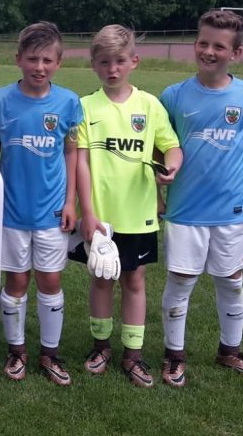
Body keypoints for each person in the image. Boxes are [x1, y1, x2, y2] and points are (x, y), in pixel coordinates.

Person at [158, 10, 243, 387]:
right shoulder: (173, 95)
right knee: (180, 282)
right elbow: (159, 149)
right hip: (185, 208)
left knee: (232, 282)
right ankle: (174, 356)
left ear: (235, 53)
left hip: (232, 208)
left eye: (219, 46)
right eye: (203, 43)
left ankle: (230, 351)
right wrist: (158, 192)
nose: (208, 51)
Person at [76, 24, 182, 388]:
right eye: (105, 62)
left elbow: (171, 146)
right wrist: (88, 212)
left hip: (139, 215)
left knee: (134, 280)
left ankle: (133, 354)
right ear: (94, 64)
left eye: (120, 61)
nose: (113, 69)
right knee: (101, 277)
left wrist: (172, 167)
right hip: (101, 217)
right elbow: (81, 163)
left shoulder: (149, 105)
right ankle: (101, 347)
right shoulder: (85, 107)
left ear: (134, 61)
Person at [0, 21, 82, 386]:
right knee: (17, 280)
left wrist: (70, 201)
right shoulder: (0, 99)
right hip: (11, 209)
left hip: (52, 210)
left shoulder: (69, 102)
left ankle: (50, 353)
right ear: (18, 59)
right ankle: (17, 350)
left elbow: (72, 152)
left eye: (47, 60)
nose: (39, 67)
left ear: (58, 63)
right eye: (32, 59)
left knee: (50, 279)